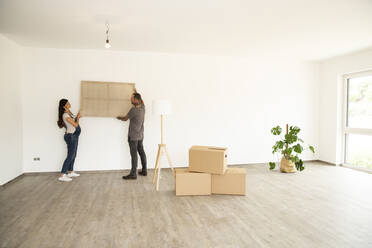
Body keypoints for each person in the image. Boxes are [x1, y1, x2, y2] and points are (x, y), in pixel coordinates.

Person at [117, 93, 147, 180]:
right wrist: (136, 91)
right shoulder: (143, 108)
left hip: (133, 136)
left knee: (134, 155)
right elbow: (142, 101)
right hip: (140, 135)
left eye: (132, 99)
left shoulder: (134, 110)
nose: (131, 100)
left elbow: (125, 118)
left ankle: (133, 174)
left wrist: (118, 117)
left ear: (136, 100)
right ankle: (144, 170)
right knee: (141, 152)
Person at [57, 99, 81, 182]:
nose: (69, 104)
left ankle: (70, 172)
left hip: (74, 136)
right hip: (71, 137)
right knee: (70, 156)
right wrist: (78, 118)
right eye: (67, 103)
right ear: (64, 106)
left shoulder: (68, 113)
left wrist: (77, 116)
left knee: (73, 155)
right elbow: (75, 124)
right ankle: (62, 175)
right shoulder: (65, 115)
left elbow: (75, 118)